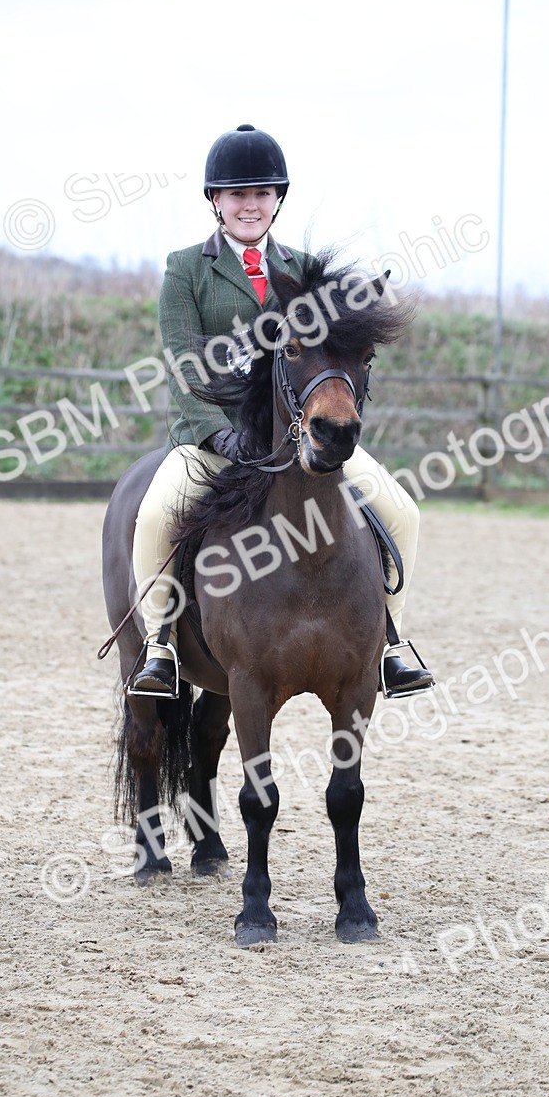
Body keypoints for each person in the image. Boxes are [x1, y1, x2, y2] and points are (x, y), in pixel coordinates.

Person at [130, 123, 434, 699]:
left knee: (403, 513)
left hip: (299, 435)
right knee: (154, 517)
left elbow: (335, 353)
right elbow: (185, 365)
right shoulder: (185, 269)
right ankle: (159, 646)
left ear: (277, 200)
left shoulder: (305, 271)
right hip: (212, 440)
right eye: (237, 194)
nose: (250, 204)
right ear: (216, 202)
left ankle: (388, 641)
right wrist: (219, 437)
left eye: (262, 193)